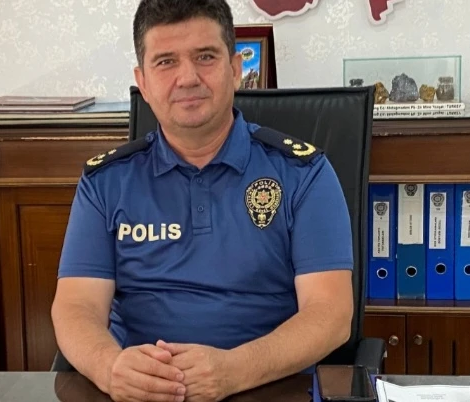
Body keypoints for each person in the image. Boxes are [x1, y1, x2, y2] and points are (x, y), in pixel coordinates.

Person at [50, 0, 354, 401]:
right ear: (143, 82)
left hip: (269, 387)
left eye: (205, 57)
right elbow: (76, 306)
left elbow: (331, 314)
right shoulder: (105, 182)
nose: (187, 78)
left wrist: (234, 371)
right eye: (166, 62)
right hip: (141, 393)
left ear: (235, 69)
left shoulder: (303, 173)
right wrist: (110, 368)